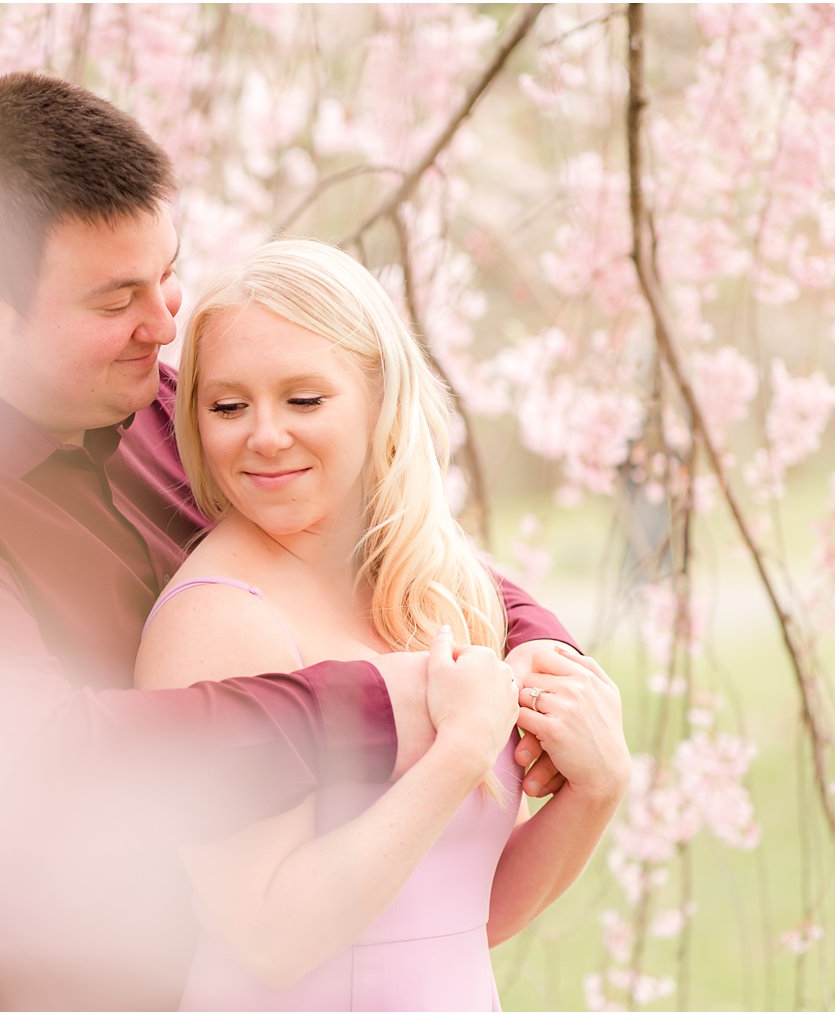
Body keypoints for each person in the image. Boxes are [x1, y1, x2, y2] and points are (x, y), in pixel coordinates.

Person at [0, 72, 581, 1011]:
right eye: (116, 300)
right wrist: (371, 707)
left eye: (166, 273)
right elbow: (41, 770)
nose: (165, 322)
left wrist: (537, 646)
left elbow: (357, 535)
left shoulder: (155, 401)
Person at [136, 239, 631, 1010]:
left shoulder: (433, 585)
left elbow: (472, 914)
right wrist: (460, 750)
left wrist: (598, 788)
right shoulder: (218, 619)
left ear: (378, 400)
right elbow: (267, 937)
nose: (264, 435)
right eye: (228, 405)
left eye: (304, 399)